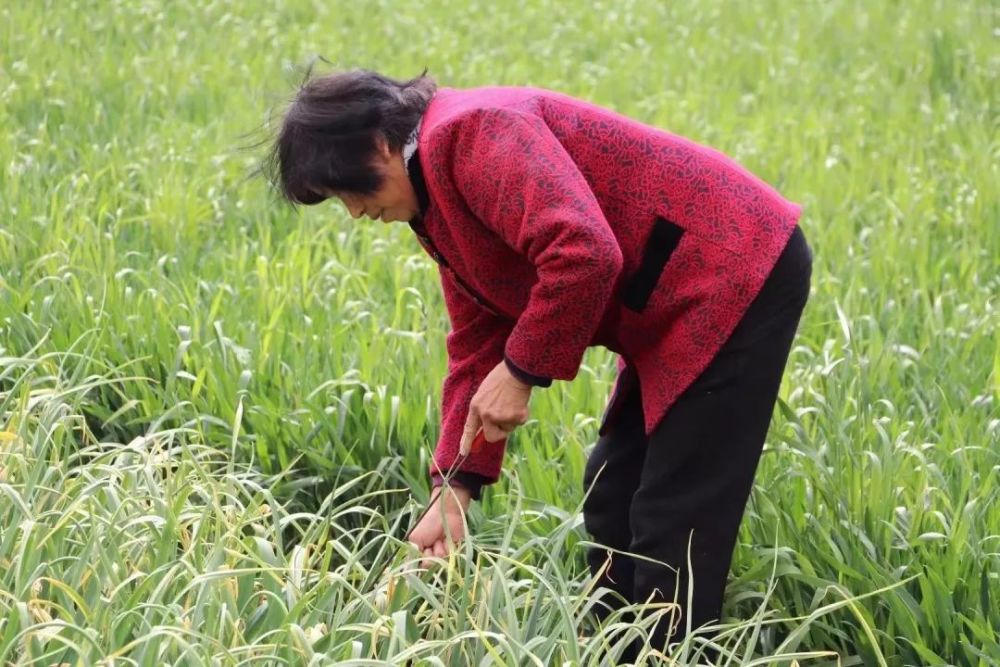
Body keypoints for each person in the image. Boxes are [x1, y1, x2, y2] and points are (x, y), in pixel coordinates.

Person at [263, 67, 812, 658]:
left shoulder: (475, 135)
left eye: (351, 191)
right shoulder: (437, 201)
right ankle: (610, 649)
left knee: (674, 516)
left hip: (733, 268)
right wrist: (453, 490)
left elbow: (583, 251)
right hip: (668, 300)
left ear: (377, 145)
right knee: (612, 491)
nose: (353, 212)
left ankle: (669, 654)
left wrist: (522, 372)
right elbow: (477, 344)